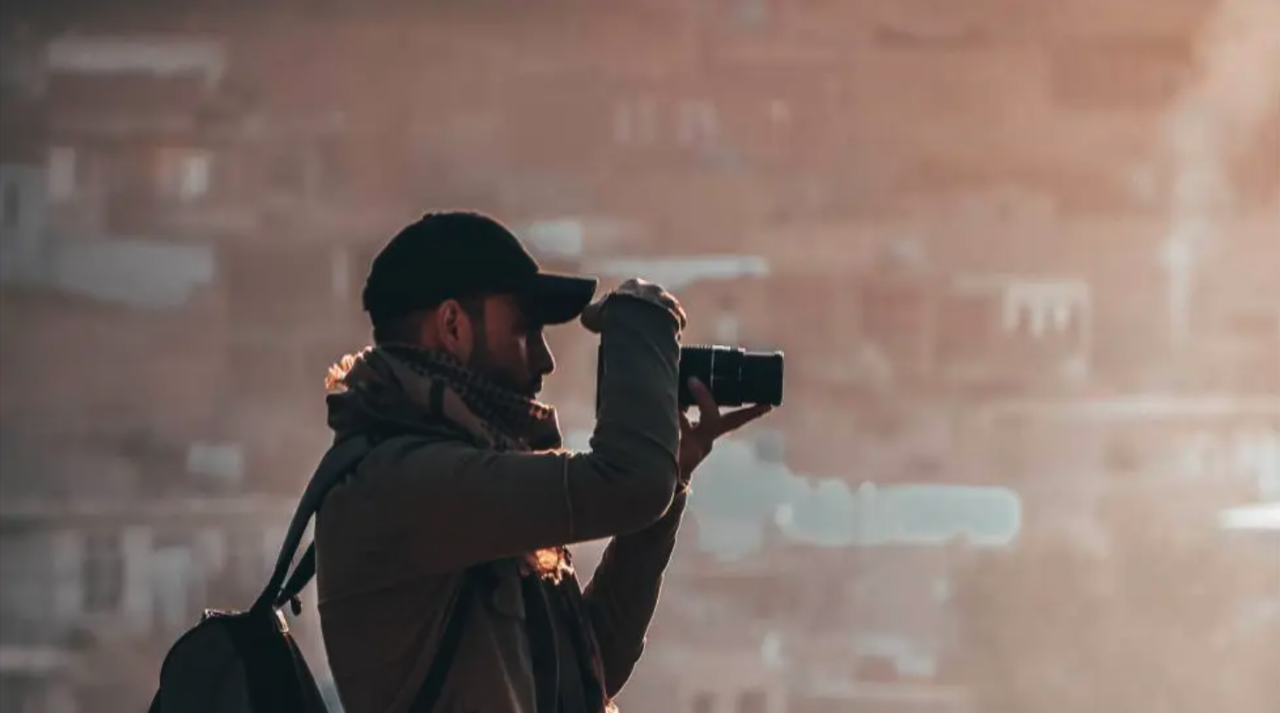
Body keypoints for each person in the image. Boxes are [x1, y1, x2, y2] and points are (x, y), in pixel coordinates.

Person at [315, 211, 772, 713]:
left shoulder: (462, 478)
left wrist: (672, 471)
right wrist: (644, 319)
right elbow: (627, 483)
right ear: (452, 324)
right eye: (524, 330)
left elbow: (594, 664)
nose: (544, 359)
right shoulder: (402, 483)